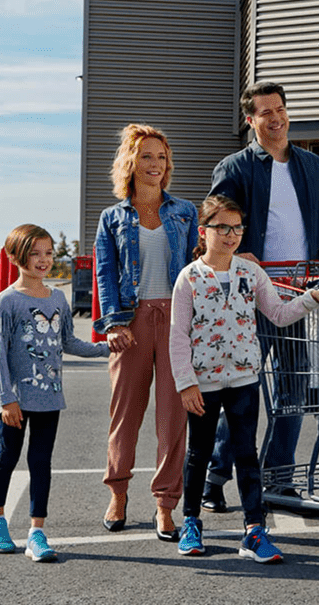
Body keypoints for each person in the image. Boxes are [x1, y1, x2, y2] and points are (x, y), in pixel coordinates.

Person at [201, 81, 319, 513]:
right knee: (243, 393)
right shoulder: (235, 167)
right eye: (265, 112)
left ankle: (279, 480)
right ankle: (213, 477)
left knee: (293, 390)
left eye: (281, 109)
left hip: (299, 298)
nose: (276, 118)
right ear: (250, 120)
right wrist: (237, 248)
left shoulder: (310, 166)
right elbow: (214, 220)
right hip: (252, 299)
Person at [169, 195, 319, 562]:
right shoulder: (189, 279)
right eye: (222, 228)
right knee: (198, 453)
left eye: (237, 228)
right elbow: (178, 335)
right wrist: (185, 382)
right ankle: (191, 522)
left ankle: (254, 530)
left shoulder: (251, 273)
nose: (231, 235)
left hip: (245, 380)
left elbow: (279, 313)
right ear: (203, 232)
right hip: (203, 384)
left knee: (246, 453)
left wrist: (312, 298)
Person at [94, 124, 198, 541]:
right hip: (131, 322)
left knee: (173, 420)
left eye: (162, 157)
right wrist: (113, 324)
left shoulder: (185, 212)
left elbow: (196, 269)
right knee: (125, 415)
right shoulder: (112, 217)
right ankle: (117, 493)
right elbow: (105, 273)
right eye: (147, 157)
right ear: (131, 162)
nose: (156, 165)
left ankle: (165, 504)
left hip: (177, 322)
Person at [0, 224, 113, 561]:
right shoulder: (7, 301)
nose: (43, 260)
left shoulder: (57, 297)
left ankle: (36, 532)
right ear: (15, 258)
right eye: (34, 254)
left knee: (41, 462)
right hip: (15, 399)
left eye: (48, 253)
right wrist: (7, 398)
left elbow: (68, 341)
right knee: (7, 457)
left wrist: (107, 350)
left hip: (49, 397)